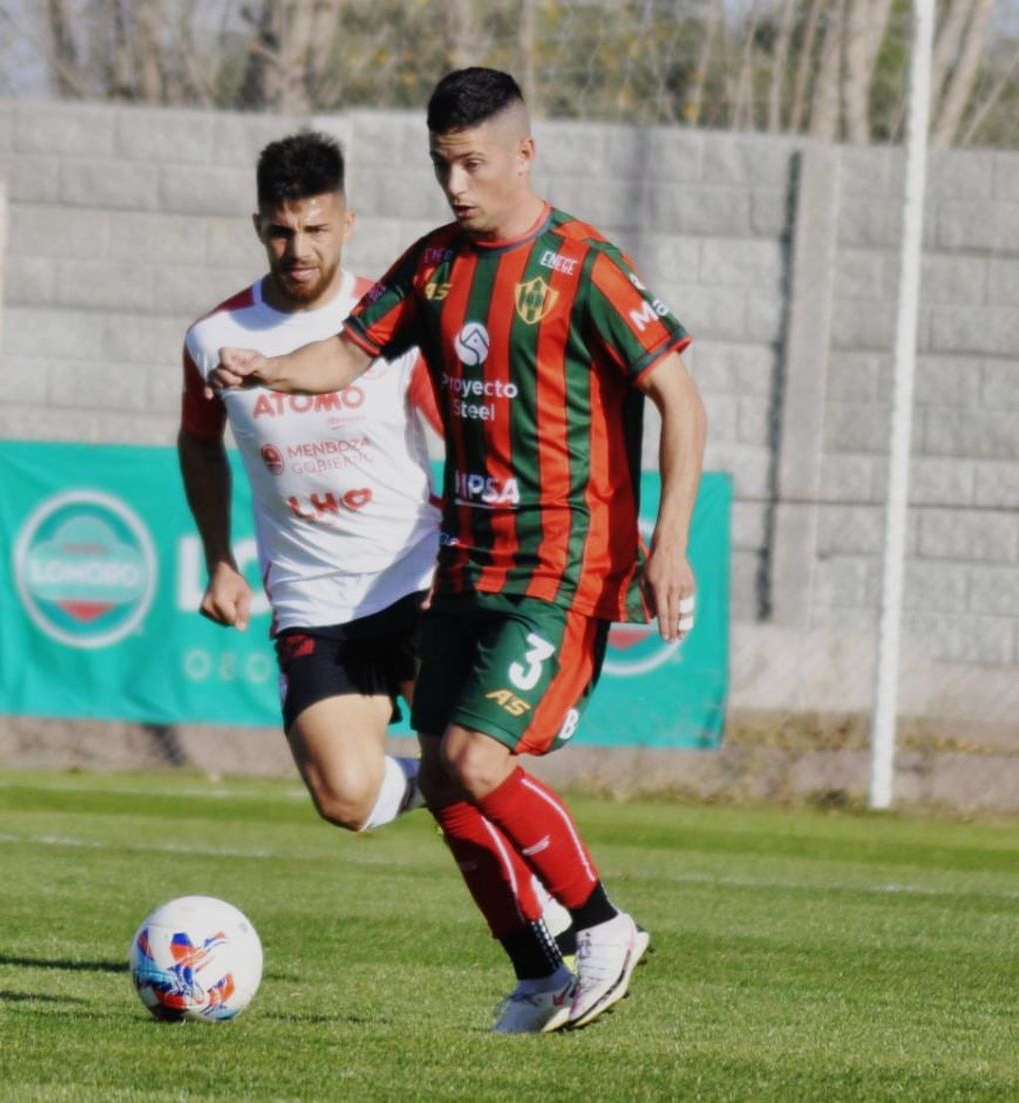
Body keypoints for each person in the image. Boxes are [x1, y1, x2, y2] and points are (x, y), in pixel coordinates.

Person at [210, 68, 707, 1034]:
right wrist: (272, 365)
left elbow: (680, 400)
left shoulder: (585, 267)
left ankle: (605, 929)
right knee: (438, 772)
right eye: (443, 164)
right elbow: (352, 350)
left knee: (478, 756)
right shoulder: (434, 265)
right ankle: (537, 970)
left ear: (524, 153)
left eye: (474, 163)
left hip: (561, 568)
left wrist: (668, 543)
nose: (457, 185)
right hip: (469, 563)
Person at [177, 131, 442, 835]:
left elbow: (468, 439)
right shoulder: (214, 336)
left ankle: (574, 916)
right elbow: (200, 442)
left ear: (347, 224)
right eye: (282, 231)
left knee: (474, 756)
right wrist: (219, 562)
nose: (299, 249)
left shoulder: (392, 321)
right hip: (313, 597)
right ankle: (450, 785)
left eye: (317, 229)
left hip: (416, 575)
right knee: (347, 798)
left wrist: (468, 554)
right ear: (259, 226)